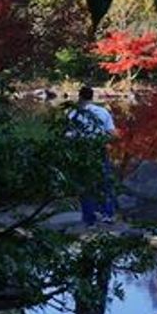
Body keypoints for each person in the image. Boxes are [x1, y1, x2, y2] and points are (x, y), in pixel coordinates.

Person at [67, 85, 118, 225]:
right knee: (105, 182)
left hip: (82, 151)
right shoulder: (103, 112)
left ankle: (89, 217)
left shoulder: (73, 114)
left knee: (85, 183)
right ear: (92, 97)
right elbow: (113, 133)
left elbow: (68, 136)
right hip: (100, 148)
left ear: (80, 97)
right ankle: (108, 214)